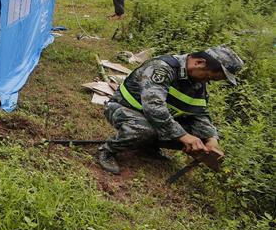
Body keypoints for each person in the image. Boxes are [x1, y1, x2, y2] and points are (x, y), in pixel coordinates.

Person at [96, 46, 244, 175]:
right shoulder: (162, 68)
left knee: (199, 136)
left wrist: (212, 139)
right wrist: (183, 136)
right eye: (209, 77)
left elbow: (199, 114)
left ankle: (148, 147)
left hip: (153, 118)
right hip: (123, 108)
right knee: (146, 129)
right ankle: (107, 150)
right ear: (199, 63)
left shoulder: (197, 83)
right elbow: (153, 107)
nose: (208, 82)